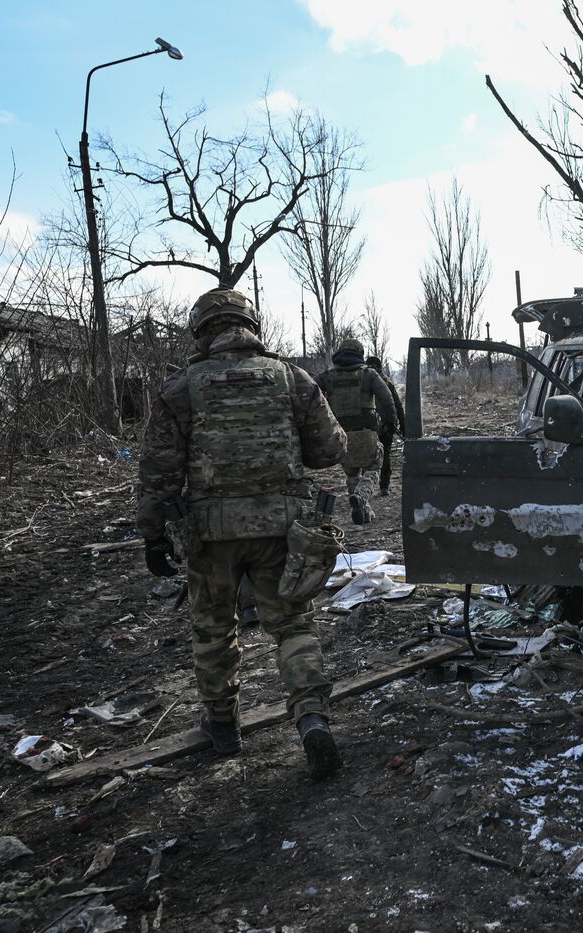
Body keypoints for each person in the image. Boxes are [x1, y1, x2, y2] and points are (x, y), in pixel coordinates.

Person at [137, 287, 348, 779]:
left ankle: (222, 727)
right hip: (284, 531)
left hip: (212, 536)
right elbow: (329, 449)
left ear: (202, 331)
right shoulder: (290, 378)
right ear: (251, 326)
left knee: (213, 628)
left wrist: (152, 535)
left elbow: (158, 472)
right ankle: (312, 719)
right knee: (292, 625)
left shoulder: (181, 388)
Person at [315, 338, 396, 524]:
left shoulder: (327, 376)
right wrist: (391, 422)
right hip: (365, 431)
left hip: (340, 434)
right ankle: (360, 497)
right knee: (374, 465)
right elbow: (387, 399)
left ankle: (362, 511)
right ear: (360, 354)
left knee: (352, 472)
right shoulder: (369, 374)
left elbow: (310, 393)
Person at [365, 356, 406, 496]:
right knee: (386, 453)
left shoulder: (363, 381)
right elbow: (398, 405)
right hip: (385, 425)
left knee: (369, 455)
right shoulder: (386, 382)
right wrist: (403, 424)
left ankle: (366, 486)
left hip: (369, 425)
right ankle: (384, 486)